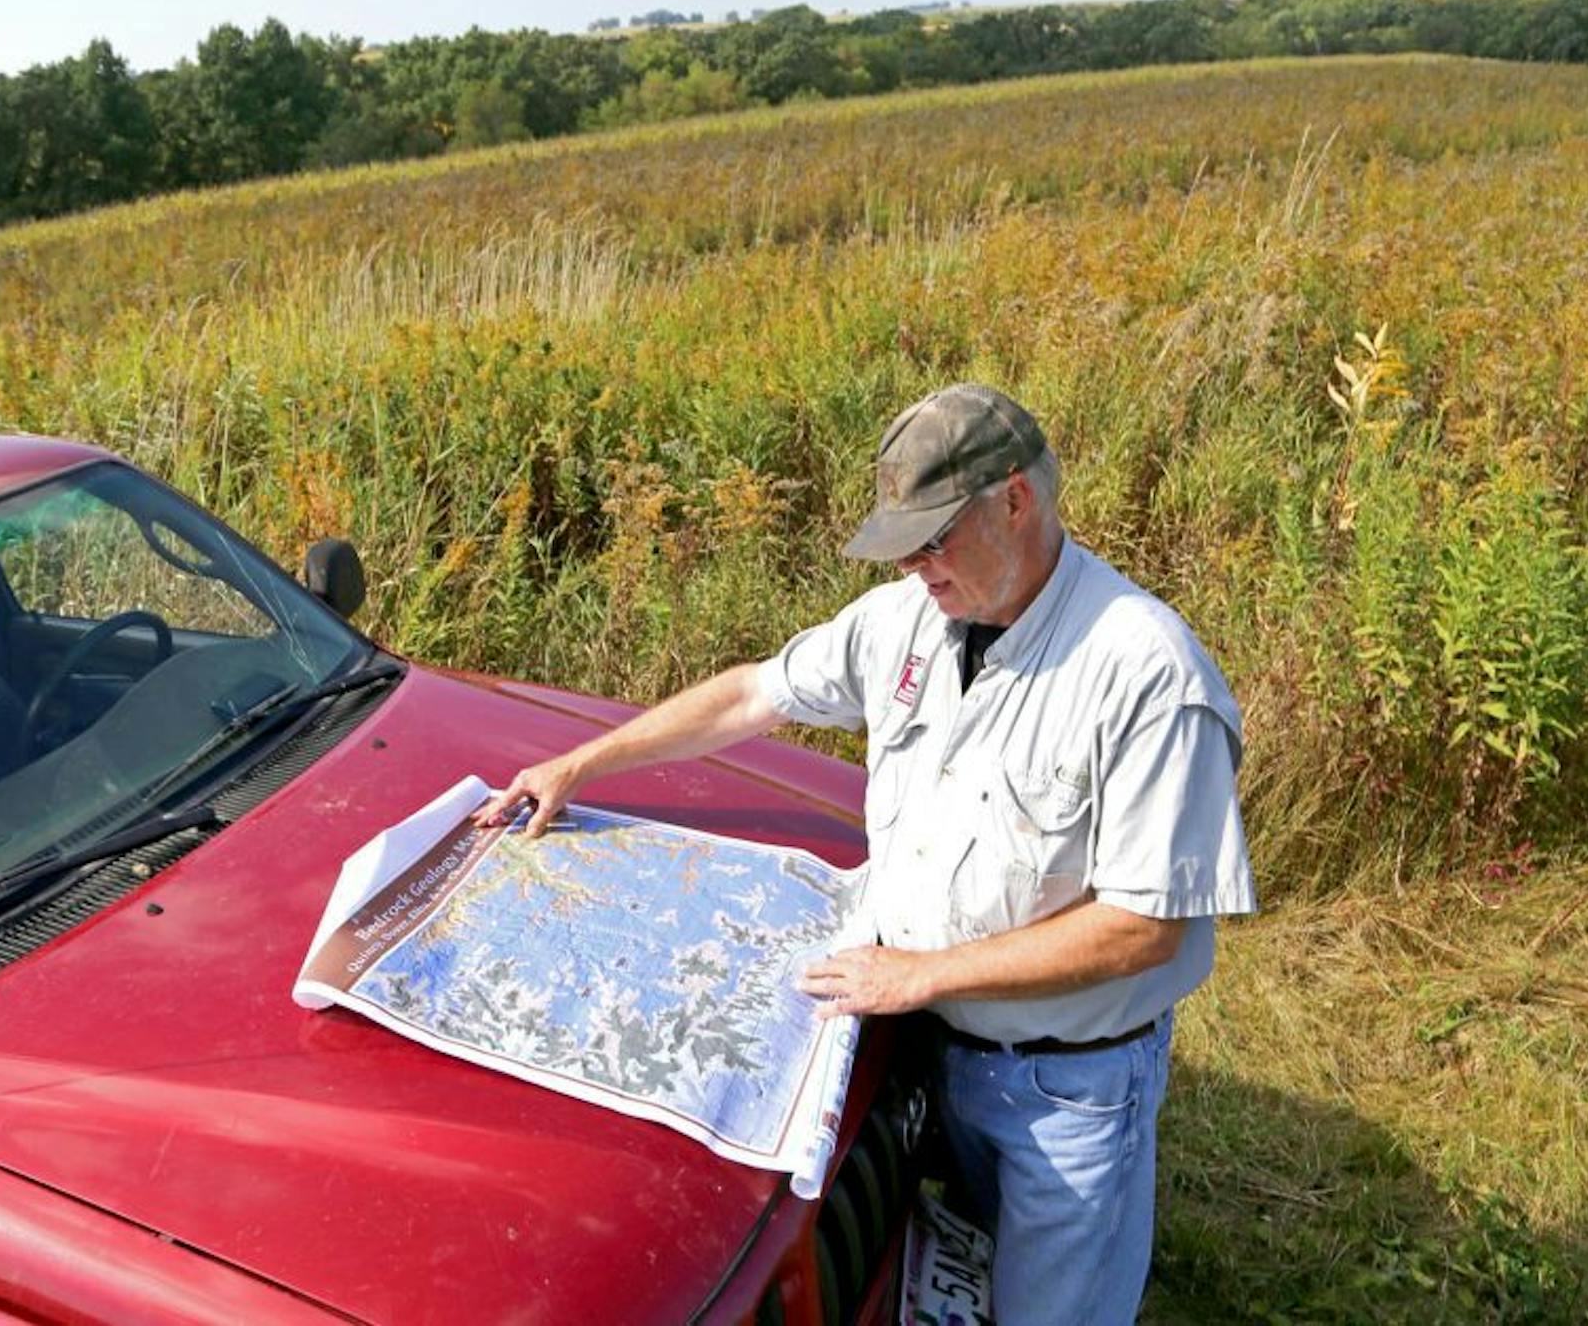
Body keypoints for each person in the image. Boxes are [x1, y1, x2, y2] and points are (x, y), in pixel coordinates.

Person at [479, 383, 1255, 1326]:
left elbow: (1144, 930)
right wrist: (582, 762)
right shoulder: (907, 621)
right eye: (904, 544)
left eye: (935, 539)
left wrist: (920, 973)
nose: (918, 567)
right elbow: (750, 696)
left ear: (1017, 499)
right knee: (956, 1266)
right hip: (931, 1052)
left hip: (1068, 1088)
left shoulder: (1145, 677)